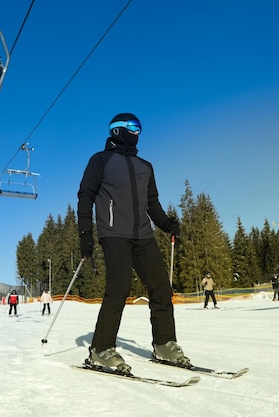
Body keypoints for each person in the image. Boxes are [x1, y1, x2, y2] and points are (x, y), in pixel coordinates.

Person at [77, 112, 189, 373]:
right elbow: (85, 197)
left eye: (139, 127)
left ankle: (164, 344)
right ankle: (101, 349)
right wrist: (85, 235)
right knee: (119, 286)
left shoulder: (145, 166)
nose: (137, 132)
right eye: (132, 127)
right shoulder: (100, 161)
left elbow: (152, 204)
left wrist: (166, 224)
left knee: (161, 287)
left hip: (143, 235)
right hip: (114, 233)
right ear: (116, 130)